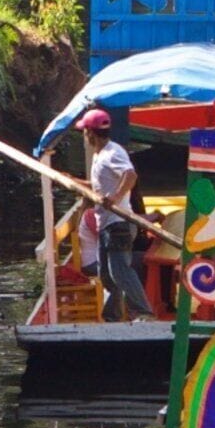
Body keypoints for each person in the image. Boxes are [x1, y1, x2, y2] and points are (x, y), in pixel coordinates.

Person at [76, 108, 150, 322]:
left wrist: (115, 198)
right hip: (105, 224)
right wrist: (73, 180)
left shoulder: (112, 152)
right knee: (106, 275)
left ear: (90, 133)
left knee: (120, 271)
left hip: (118, 224)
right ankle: (112, 316)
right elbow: (99, 186)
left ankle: (144, 311)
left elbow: (130, 175)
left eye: (84, 132)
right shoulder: (100, 156)